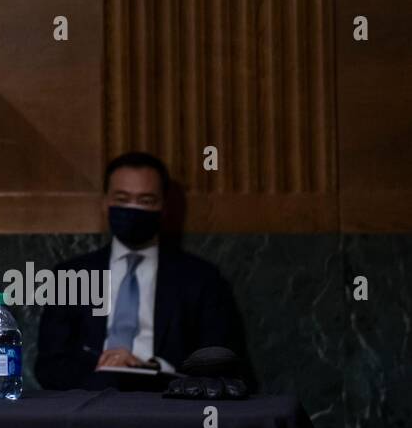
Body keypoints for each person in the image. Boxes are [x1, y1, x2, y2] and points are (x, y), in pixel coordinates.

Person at [35, 152, 255, 390]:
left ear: (163, 207)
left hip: (168, 405)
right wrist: (104, 369)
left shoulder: (202, 279)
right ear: (105, 203)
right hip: (88, 403)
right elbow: (48, 366)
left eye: (146, 201)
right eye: (122, 198)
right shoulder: (69, 276)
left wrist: (149, 369)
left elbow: (222, 364)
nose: (133, 209)